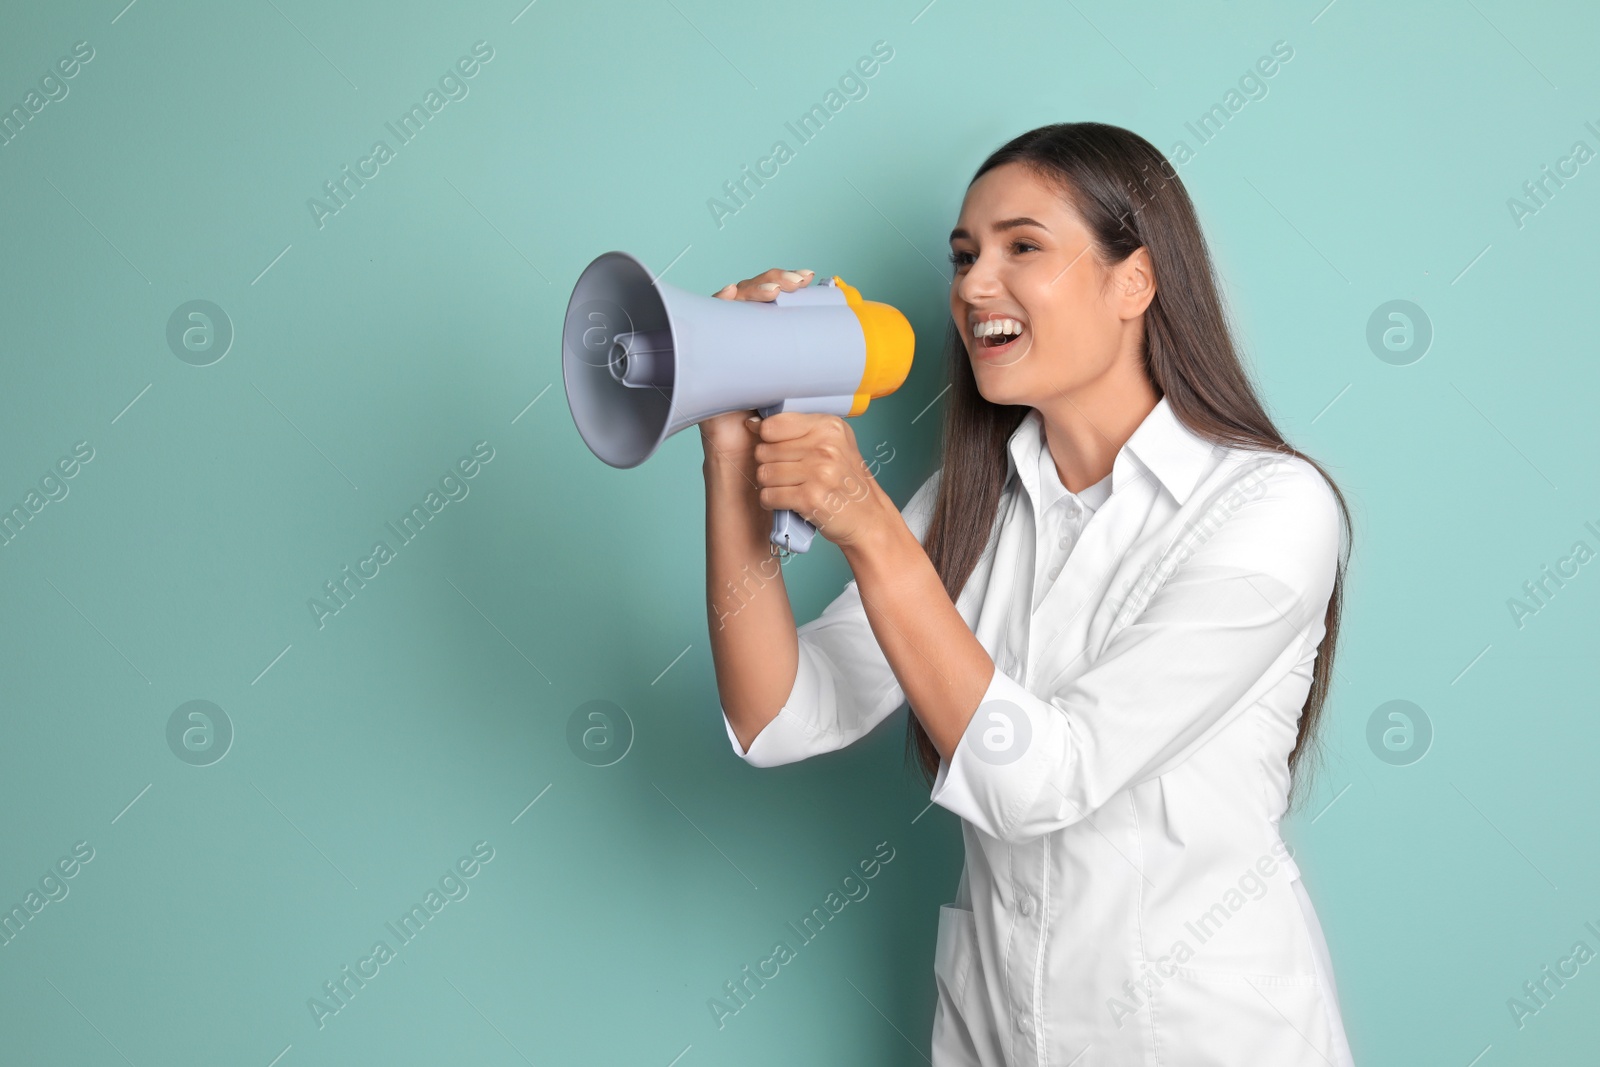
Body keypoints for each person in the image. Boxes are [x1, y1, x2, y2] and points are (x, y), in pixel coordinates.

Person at [699, 121, 1355, 1067]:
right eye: (963, 256)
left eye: (1022, 247)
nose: (971, 285)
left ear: (1136, 280)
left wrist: (871, 528)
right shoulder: (969, 505)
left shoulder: (1272, 510)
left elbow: (1046, 779)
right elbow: (780, 716)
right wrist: (729, 451)